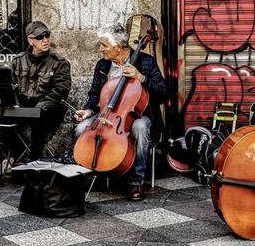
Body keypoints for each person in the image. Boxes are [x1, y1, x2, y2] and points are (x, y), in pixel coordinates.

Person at [74, 22, 167, 201]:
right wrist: (87, 110)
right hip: (106, 114)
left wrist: (142, 78)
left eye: (104, 45)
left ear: (118, 48)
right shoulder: (103, 65)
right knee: (81, 129)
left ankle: (136, 180)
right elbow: (95, 94)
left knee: (140, 127)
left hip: (139, 115)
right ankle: (91, 173)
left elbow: (163, 93)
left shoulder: (146, 62)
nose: (100, 49)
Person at [11, 21, 71, 161]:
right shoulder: (17, 62)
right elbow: (10, 85)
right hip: (24, 106)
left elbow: (61, 90)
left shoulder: (59, 63)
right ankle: (15, 157)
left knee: (40, 114)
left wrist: (42, 105)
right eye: (40, 37)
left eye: (47, 35)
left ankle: (34, 161)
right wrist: (14, 103)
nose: (45, 40)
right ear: (30, 40)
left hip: (48, 108)